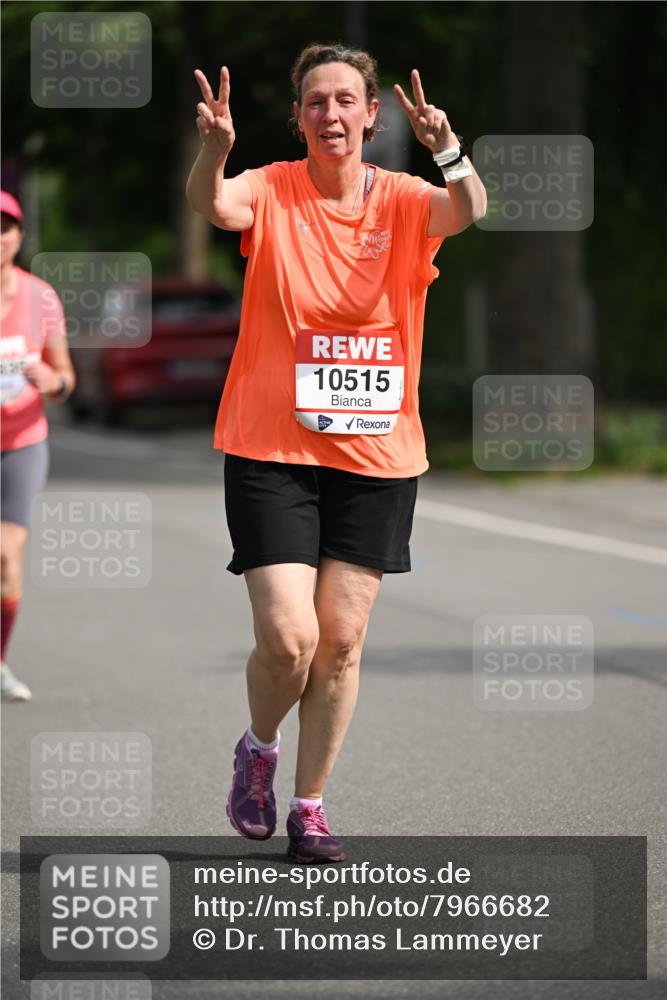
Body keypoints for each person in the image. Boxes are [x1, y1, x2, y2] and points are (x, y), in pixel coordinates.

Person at [186, 43, 486, 862]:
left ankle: (309, 806)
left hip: (378, 456)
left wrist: (447, 150)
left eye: (345, 100)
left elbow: (468, 210)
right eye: (314, 102)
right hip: (270, 446)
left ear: (369, 116)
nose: (330, 115)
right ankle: (257, 750)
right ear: (298, 117)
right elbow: (217, 207)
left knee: (342, 642)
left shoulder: (402, 199)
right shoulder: (273, 188)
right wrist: (215, 149)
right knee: (290, 639)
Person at [0, 190, 75, 702]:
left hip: (23, 441)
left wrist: (54, 381)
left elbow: (67, 377)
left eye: (6, 227)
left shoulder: (41, 297)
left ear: (19, 237)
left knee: (7, 555)